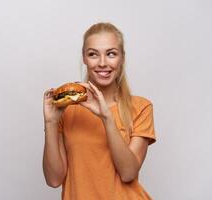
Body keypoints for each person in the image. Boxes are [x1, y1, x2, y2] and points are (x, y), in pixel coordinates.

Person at [43, 22, 156, 200]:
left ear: (122, 58)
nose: (102, 63)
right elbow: (54, 179)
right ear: (84, 58)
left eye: (111, 54)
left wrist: (107, 117)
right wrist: (50, 123)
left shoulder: (141, 107)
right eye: (93, 54)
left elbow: (128, 173)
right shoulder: (67, 110)